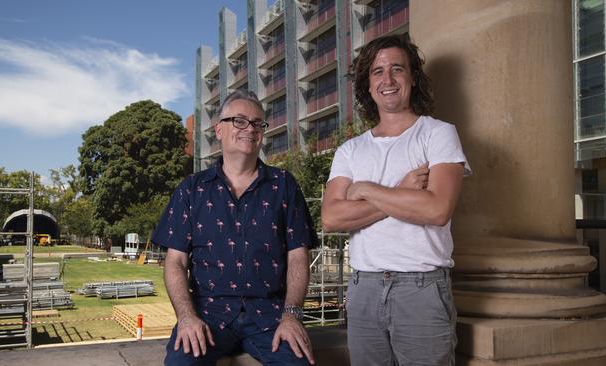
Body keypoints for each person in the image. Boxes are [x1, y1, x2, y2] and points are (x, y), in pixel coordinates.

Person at [321, 35, 471, 365]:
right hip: (364, 288)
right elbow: (331, 217)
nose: (387, 80)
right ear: (368, 84)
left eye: (397, 69)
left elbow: (436, 209)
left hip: (421, 289)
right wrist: (403, 190)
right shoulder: (350, 150)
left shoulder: (438, 134)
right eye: (377, 71)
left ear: (413, 77)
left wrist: (366, 189)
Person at [152, 89, 318, 366]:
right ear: (218, 130)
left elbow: (298, 256)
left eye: (257, 123)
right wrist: (186, 317)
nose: (250, 129)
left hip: (271, 315)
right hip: (208, 314)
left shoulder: (284, 185)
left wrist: (292, 316)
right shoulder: (191, 190)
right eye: (239, 121)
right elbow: (176, 262)